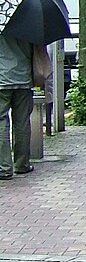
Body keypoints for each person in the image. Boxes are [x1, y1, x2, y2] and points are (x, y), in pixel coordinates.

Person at [0, 34, 34, 179]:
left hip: (1, 79)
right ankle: (22, 164)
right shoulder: (29, 22)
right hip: (24, 78)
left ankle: (4, 168)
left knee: (1, 122)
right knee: (22, 122)